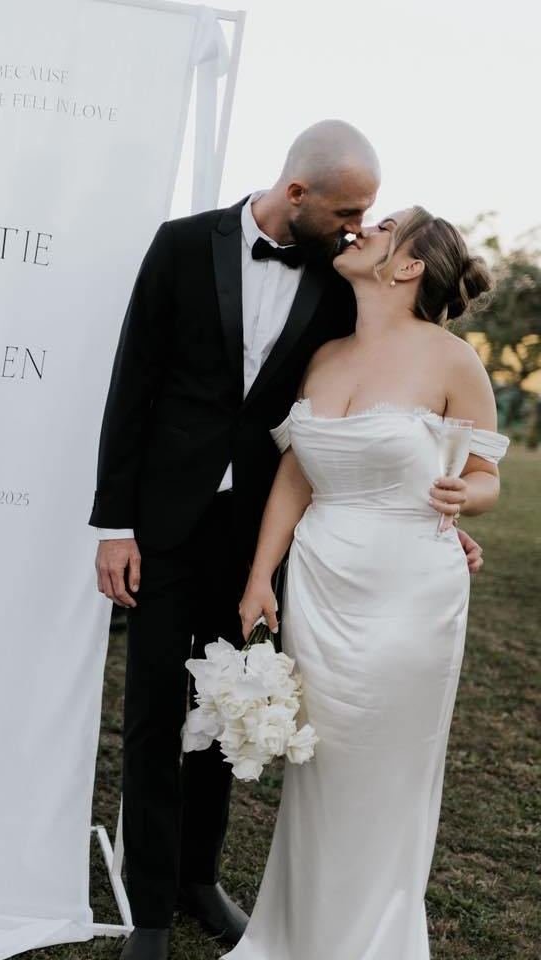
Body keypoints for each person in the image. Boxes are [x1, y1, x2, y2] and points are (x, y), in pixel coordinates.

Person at [89, 120, 485, 960]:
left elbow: (398, 393)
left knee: (233, 707)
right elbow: (134, 382)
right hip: (163, 524)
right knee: (155, 709)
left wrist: (444, 512)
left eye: (370, 218)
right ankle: (151, 914)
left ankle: (201, 880)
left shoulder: (343, 284)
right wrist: (115, 524)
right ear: (297, 192)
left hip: (264, 533)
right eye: (348, 210)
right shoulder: (179, 245)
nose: (355, 228)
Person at [230, 209, 507, 959]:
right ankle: (299, 933)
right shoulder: (323, 357)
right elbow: (297, 471)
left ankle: (373, 939)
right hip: (320, 584)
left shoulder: (453, 360)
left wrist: (464, 497)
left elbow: (484, 478)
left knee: (385, 766)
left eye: (382, 228)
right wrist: (262, 575)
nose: (362, 231)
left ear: (409, 266)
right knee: (320, 765)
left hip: (410, 591)